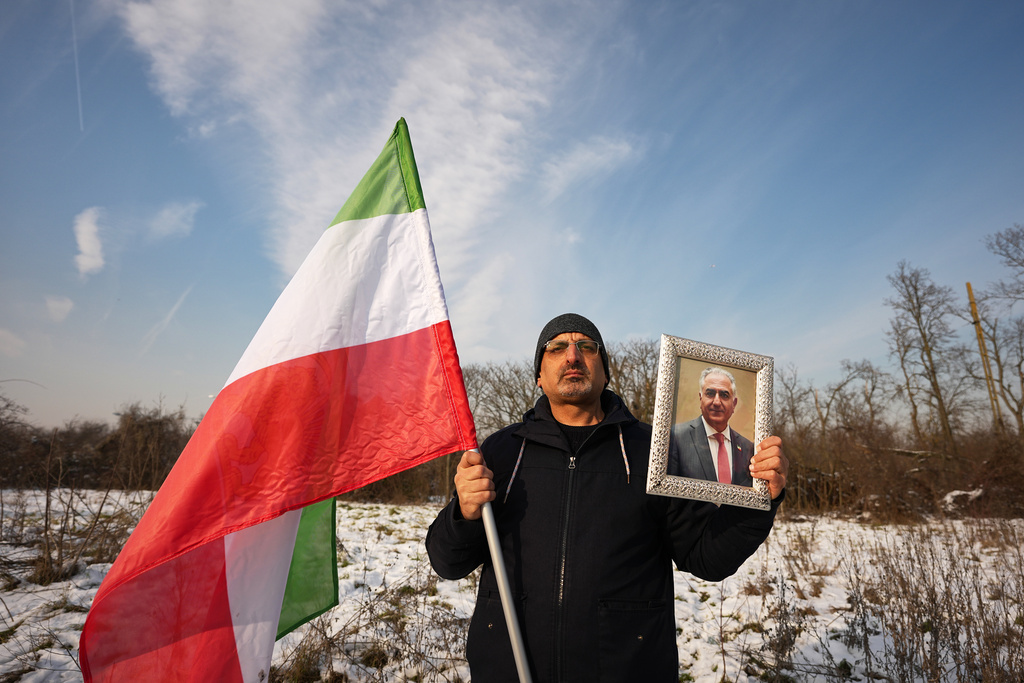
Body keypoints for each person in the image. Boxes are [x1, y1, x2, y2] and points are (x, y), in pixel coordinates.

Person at [425, 314, 788, 683]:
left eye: (586, 346)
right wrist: (464, 513)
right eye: (556, 348)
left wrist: (758, 500)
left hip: (624, 668)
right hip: (510, 668)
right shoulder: (502, 450)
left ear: (605, 371)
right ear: (539, 375)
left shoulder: (657, 450)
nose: (572, 356)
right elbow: (446, 562)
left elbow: (705, 556)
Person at [667, 367, 754, 486]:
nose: (717, 402)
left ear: (734, 404)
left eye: (724, 395)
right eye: (710, 394)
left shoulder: (748, 448)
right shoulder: (676, 437)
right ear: (700, 398)